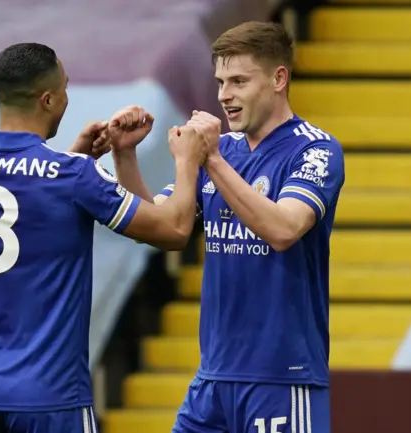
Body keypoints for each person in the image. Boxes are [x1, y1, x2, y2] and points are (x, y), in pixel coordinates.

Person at [0, 42, 206, 433]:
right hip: (50, 397)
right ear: (47, 100)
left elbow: (26, 201)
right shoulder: (73, 176)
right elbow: (174, 230)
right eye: (64, 88)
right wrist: (187, 159)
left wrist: (81, 154)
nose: (67, 97)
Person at [111, 22, 345, 433]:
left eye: (238, 81)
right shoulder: (227, 150)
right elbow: (160, 224)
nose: (224, 96)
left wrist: (211, 160)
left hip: (281, 378)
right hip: (212, 380)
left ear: (278, 78)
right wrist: (125, 155)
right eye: (220, 82)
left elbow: (285, 228)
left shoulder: (315, 148)